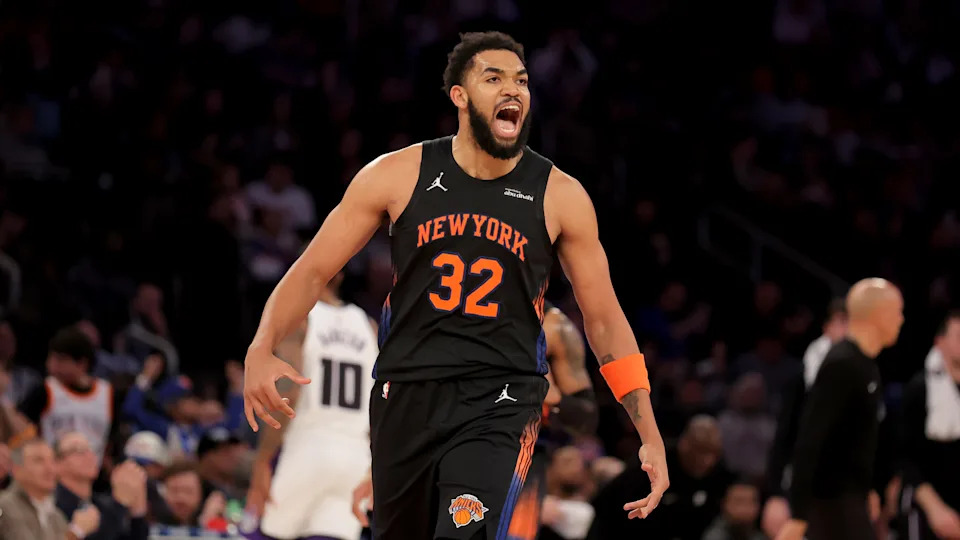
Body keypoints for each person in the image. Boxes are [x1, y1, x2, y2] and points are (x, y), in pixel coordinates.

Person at [243, 31, 668, 540]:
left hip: (500, 398)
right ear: (460, 96)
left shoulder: (560, 195)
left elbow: (603, 319)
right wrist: (261, 346)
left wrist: (646, 428)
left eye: (522, 80)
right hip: (405, 394)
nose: (513, 90)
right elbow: (311, 270)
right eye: (494, 78)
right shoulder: (396, 174)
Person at [243, 271, 378, 540]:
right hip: (355, 455)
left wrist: (262, 461)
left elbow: (287, 391)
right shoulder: (369, 325)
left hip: (308, 447)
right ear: (340, 277)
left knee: (263, 533)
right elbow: (383, 399)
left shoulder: (300, 320)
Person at [777, 278, 905, 540]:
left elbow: (854, 443)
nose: (901, 320)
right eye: (897, 312)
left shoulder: (867, 365)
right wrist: (799, 515)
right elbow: (809, 440)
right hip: (830, 504)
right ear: (878, 314)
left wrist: (865, 490)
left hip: (849, 500)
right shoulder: (841, 363)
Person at [762, 299, 847, 537]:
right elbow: (783, 437)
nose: (847, 331)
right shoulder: (802, 377)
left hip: (845, 486)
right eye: (842, 322)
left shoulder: (867, 374)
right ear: (827, 327)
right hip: (803, 484)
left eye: (852, 323)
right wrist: (776, 494)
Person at [589, 415, 732, 540]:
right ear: (684, 443)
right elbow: (608, 503)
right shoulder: (654, 461)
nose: (707, 461)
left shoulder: (719, 475)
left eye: (713, 453)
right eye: (701, 451)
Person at [899, 311, 960, 539]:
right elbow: (906, 457)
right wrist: (935, 508)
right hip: (927, 506)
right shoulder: (920, 388)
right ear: (940, 342)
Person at [18, 326, 114, 466]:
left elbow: (111, 441)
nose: (51, 366)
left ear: (81, 363)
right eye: (51, 358)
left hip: (92, 474)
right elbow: (20, 423)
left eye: (60, 360)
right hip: (52, 471)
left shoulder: (107, 394)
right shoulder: (45, 389)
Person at [54, 431, 149, 540]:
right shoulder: (54, 505)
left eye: (92, 449)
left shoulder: (101, 504)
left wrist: (137, 513)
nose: (89, 455)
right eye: (79, 450)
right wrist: (120, 502)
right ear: (57, 464)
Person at [0, 438, 100, 540]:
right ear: (16, 468)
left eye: (52, 461)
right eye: (39, 461)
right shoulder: (5, 507)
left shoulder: (57, 516)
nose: (50, 469)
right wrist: (76, 532)